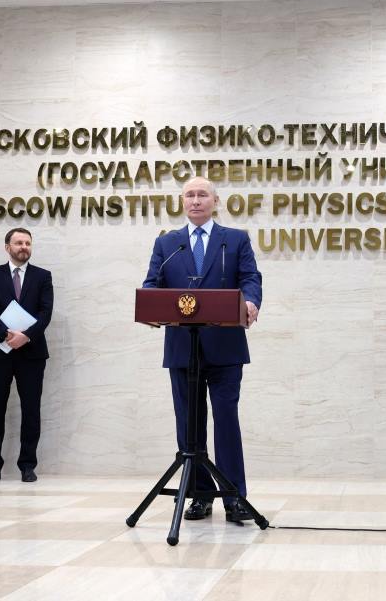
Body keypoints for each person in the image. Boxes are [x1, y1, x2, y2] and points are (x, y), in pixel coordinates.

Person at [142, 176, 262, 523]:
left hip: (225, 347)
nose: (195, 200)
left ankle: (234, 498)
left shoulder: (235, 240)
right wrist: (150, 306)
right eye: (189, 195)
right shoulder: (168, 244)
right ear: (182, 202)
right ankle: (199, 495)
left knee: (226, 421)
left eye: (202, 195)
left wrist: (251, 301)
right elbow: (152, 283)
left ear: (215, 201)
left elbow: (250, 278)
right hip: (183, 347)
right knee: (189, 425)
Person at [0, 228, 54, 483]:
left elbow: (46, 313)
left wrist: (26, 336)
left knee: (31, 409)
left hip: (32, 353)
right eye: (18, 243)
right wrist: (6, 334)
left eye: (28, 243)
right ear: (7, 247)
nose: (24, 247)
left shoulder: (43, 276)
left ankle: (27, 465)